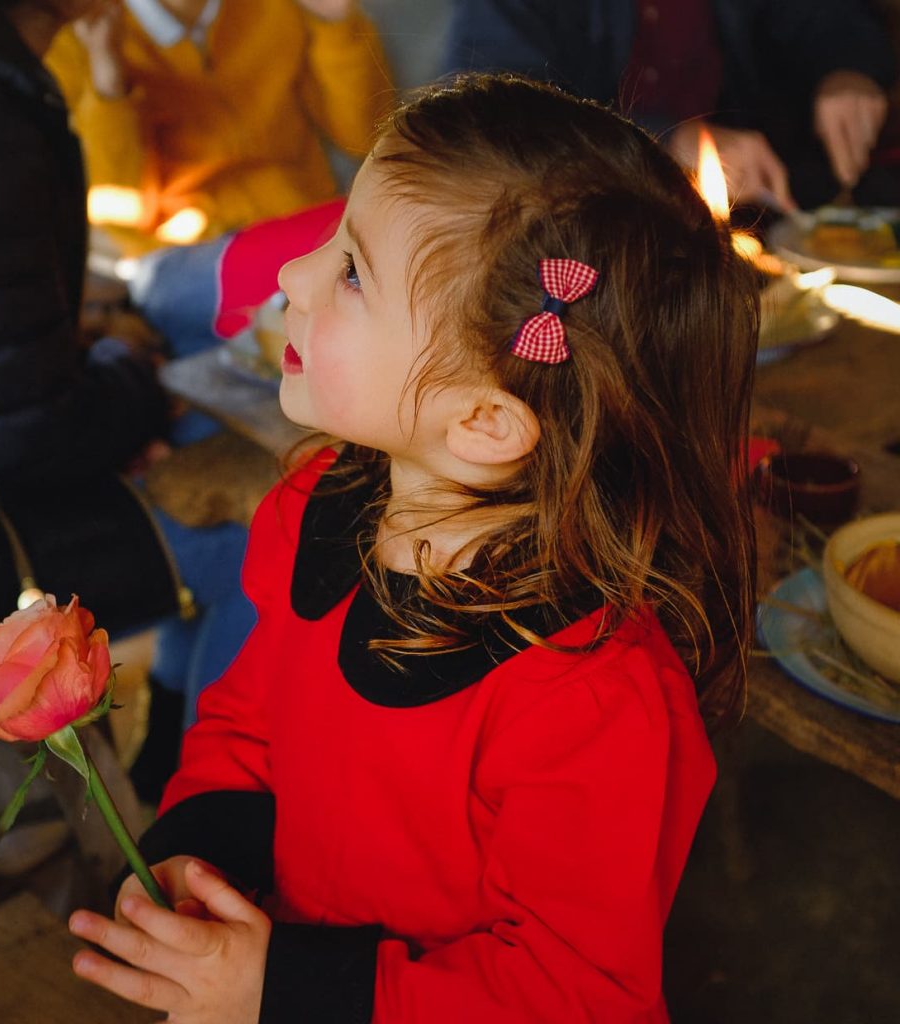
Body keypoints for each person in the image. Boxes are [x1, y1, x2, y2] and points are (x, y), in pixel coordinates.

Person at [67, 74, 758, 1021]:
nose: (291, 278)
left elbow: (571, 996)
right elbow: (248, 723)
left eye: (352, 271)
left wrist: (287, 989)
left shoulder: (587, 695)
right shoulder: (321, 502)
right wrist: (203, 857)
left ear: (481, 420)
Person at [0, 0, 256, 803]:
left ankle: (164, 754)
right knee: (274, 542)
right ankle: (195, 812)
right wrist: (132, 366)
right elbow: (33, 438)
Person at [442, 0, 898, 211]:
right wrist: (663, 141)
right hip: (584, 234)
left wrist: (848, 69)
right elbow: (494, 115)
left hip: (753, 219)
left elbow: (825, 17)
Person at [46, 0, 394, 256]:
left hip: (307, 221)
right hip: (182, 255)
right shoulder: (71, 37)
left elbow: (366, 137)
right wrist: (107, 78)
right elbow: (120, 212)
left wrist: (336, 22)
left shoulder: (277, 9)